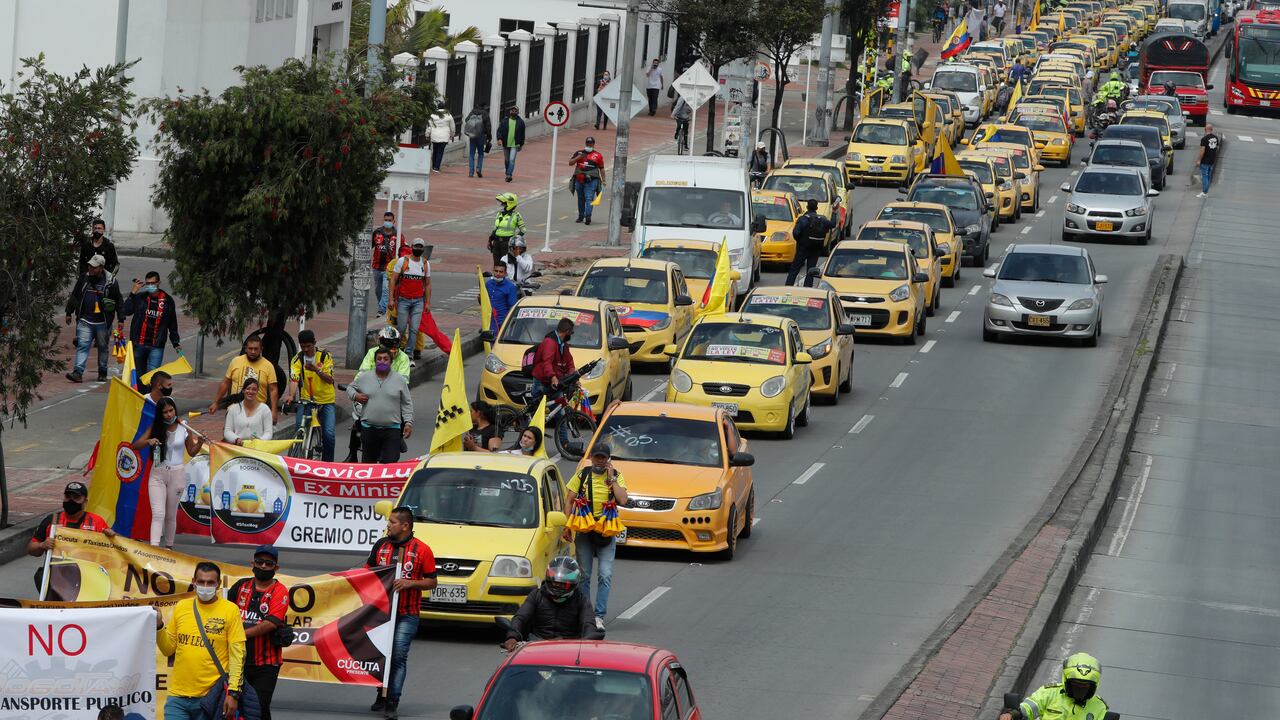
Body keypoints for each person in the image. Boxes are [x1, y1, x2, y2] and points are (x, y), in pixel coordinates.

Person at [365, 507, 437, 719]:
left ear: (405, 526)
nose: (388, 525)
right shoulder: (380, 546)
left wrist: (409, 583)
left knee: (398, 655)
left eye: (393, 522)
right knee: (379, 654)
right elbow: (366, 573)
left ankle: (393, 701)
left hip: (407, 613)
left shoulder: (423, 550)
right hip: (380, 613)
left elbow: (432, 581)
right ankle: (381, 694)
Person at [156, 562, 247, 720]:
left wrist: (233, 693)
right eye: (201, 582)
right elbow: (167, 649)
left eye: (210, 582)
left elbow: (237, 655)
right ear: (194, 582)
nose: (205, 586)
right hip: (177, 697)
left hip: (210, 697)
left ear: (218, 584)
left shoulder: (230, 610)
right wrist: (158, 626)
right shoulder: (182, 607)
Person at [565, 444, 628, 629]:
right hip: (585, 530)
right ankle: (586, 613)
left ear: (608, 459)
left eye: (603, 458)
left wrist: (612, 479)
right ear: (591, 457)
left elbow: (623, 499)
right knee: (584, 574)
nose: (599, 461)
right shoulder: (582, 475)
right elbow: (569, 500)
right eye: (597, 457)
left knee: (605, 575)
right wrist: (567, 525)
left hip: (606, 531)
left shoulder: (616, 475)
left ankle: (599, 615)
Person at [134, 397, 204, 548]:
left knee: (171, 515)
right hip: (158, 475)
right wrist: (148, 441)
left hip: (177, 474)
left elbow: (191, 451)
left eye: (171, 410)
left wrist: (200, 443)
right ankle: (154, 548)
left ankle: (169, 547)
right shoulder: (155, 427)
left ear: (175, 410)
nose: (169, 415)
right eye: (164, 412)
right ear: (160, 414)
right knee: (158, 513)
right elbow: (136, 446)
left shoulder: (184, 426)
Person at [229, 546, 290, 720]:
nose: (263, 566)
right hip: (238, 660)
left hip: (266, 664)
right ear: (252, 563)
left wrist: (241, 634)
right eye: (259, 562)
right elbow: (225, 612)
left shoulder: (280, 591)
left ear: (276, 568)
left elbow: (271, 623)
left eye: (268, 563)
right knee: (234, 707)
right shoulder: (241, 586)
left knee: (259, 707)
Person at [345, 327, 412, 462]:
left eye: (386, 359)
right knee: (357, 421)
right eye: (379, 359)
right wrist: (358, 393)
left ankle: (398, 438)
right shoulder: (372, 354)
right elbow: (360, 376)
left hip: (393, 407)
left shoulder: (403, 360)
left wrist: (408, 422)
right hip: (369, 407)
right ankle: (352, 452)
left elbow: (405, 392)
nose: (382, 361)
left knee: (390, 462)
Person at [502, 556, 595, 650]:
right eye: (555, 583)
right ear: (548, 580)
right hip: (535, 646)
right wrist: (512, 637)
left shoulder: (582, 600)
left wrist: (588, 640)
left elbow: (588, 624)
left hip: (569, 650)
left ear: (573, 584)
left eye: (563, 584)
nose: (557, 587)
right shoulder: (536, 595)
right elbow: (520, 617)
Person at [64, 254, 123, 383]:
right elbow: (75, 295)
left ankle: (102, 371)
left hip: (103, 322)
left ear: (101, 267)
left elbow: (118, 300)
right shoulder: (84, 278)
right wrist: (69, 312)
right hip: (85, 320)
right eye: (90, 265)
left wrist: (121, 319)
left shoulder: (111, 282)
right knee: (83, 346)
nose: (91, 268)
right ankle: (78, 372)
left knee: (103, 347)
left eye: (94, 267)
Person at [999, 652, 1109, 720]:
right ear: (1066, 681)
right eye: (1076, 686)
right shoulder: (1049, 693)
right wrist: (1013, 714)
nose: (1080, 690)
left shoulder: (1099, 707)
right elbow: (1029, 708)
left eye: (1084, 687)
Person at [283, 329, 337, 461]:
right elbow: (294, 379)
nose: (306, 349)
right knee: (298, 429)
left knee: (329, 435)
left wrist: (317, 370)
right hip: (306, 399)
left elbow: (330, 379)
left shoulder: (325, 356)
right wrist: (291, 395)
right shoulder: (298, 359)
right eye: (303, 346)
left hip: (326, 401)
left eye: (309, 346)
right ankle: (297, 460)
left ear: (314, 343)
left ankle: (327, 465)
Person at [27, 481, 114, 558]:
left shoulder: (96, 521)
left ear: (85, 502)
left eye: (76, 498)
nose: (71, 501)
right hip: (55, 572)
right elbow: (31, 549)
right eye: (68, 497)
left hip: (87, 573)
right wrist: (42, 545)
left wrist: (111, 536)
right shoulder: (52, 520)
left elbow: (114, 548)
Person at [208, 335, 279, 423]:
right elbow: (225, 383)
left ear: (261, 349)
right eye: (250, 348)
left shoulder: (268, 366)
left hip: (257, 412)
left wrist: (274, 411)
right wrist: (216, 402)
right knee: (230, 435)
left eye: (256, 349)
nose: (253, 351)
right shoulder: (236, 361)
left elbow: (273, 390)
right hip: (234, 409)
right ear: (246, 349)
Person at [123, 270, 181, 374]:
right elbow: (126, 311)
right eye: (148, 283)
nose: (150, 286)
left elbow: (172, 323)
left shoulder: (167, 300)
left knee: (152, 376)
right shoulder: (140, 298)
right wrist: (133, 293)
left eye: (153, 283)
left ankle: (150, 391)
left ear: (158, 283)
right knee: (138, 376)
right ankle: (141, 391)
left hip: (156, 345)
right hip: (139, 344)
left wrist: (175, 342)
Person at [390, 238, 432, 366]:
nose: (418, 249)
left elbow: (428, 284)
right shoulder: (403, 261)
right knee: (401, 328)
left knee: (414, 329)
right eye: (416, 246)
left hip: (418, 302)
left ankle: (409, 355)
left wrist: (428, 303)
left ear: (423, 249)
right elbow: (393, 280)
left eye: (421, 247)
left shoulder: (425, 264)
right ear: (412, 247)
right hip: (403, 300)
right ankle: (395, 352)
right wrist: (391, 299)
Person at [786, 199, 834, 287]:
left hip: (803, 248)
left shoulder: (803, 219)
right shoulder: (822, 220)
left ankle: (788, 287)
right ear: (817, 208)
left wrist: (800, 241)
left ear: (807, 207)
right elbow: (832, 224)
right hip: (816, 248)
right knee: (811, 270)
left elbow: (796, 233)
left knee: (794, 270)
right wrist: (834, 212)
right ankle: (807, 289)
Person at [371, 211, 406, 317]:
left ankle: (381, 310)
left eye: (389, 220)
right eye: (386, 220)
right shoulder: (377, 233)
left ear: (394, 221)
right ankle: (382, 305)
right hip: (376, 266)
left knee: (386, 288)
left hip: (389, 267)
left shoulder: (398, 236)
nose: (387, 222)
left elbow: (403, 251)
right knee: (378, 290)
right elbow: (370, 246)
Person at [531, 317, 576, 394]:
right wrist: (553, 377)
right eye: (571, 333)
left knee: (559, 404)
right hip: (543, 381)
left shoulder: (563, 344)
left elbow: (569, 363)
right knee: (539, 405)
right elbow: (547, 362)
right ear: (567, 331)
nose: (571, 336)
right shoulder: (550, 342)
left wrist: (575, 379)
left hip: (556, 380)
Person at [224, 377, 273, 445]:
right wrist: (237, 439)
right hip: (238, 448)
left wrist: (259, 442)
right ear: (243, 390)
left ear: (257, 391)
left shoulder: (265, 409)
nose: (250, 392)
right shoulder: (233, 409)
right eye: (248, 388)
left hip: (257, 449)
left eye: (254, 389)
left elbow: (268, 432)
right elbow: (227, 431)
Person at [569, 137, 606, 225]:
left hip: (591, 181)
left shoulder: (598, 155)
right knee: (581, 198)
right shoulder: (578, 153)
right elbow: (570, 163)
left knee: (589, 198)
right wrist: (578, 157)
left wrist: (604, 180)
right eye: (588, 143)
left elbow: (602, 168)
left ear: (593, 144)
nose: (589, 145)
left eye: (591, 143)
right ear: (585, 143)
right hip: (579, 180)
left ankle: (588, 216)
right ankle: (581, 216)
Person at [490, 192, 527, 265]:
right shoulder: (499, 214)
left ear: (510, 204)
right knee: (497, 265)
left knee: (506, 265)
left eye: (504, 203)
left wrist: (515, 241)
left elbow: (523, 230)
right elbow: (495, 229)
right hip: (496, 243)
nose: (501, 205)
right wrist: (490, 240)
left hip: (507, 243)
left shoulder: (516, 215)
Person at [487, 260, 520, 331]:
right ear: (493, 271)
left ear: (505, 273)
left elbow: (512, 307)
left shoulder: (510, 287)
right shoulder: (488, 284)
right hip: (488, 321)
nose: (498, 273)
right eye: (496, 271)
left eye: (501, 272)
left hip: (502, 322)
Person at [496, 106, 526, 182]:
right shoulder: (504, 121)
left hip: (515, 145)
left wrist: (521, 144)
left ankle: (509, 175)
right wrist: (499, 139)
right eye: (512, 110)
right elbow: (499, 131)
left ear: (518, 112)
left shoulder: (521, 122)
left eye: (515, 111)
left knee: (512, 160)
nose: (514, 112)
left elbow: (523, 134)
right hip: (506, 144)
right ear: (510, 111)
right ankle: (507, 171)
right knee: (507, 160)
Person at [463, 103, 492, 178]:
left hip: (472, 135)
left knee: (471, 154)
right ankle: (479, 168)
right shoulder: (485, 113)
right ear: (484, 107)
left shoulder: (473, 112)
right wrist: (489, 137)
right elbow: (488, 126)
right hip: (481, 136)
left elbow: (466, 120)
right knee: (481, 153)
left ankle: (471, 171)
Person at [1195, 122, 1219, 198]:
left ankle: (1204, 192)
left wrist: (1199, 160)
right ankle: (1206, 192)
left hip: (1205, 160)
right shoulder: (1215, 138)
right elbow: (1216, 148)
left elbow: (1202, 151)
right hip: (1212, 160)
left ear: (1205, 130)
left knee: (1205, 176)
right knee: (1208, 176)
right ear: (1212, 130)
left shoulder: (1204, 139)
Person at [428, 103, 454, 173]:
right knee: (440, 151)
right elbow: (452, 126)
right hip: (444, 136)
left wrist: (427, 134)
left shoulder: (433, 115)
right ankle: (437, 167)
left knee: (435, 150)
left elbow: (429, 126)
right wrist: (452, 134)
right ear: (444, 107)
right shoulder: (449, 115)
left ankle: (433, 166)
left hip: (434, 135)